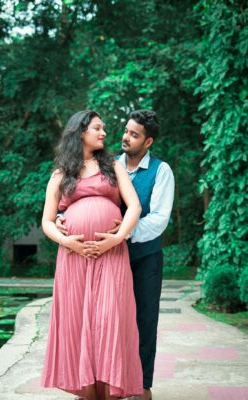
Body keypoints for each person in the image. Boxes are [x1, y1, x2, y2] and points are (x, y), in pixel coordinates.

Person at [57, 110, 175, 400]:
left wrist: (120, 235)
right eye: (125, 130)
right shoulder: (108, 164)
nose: (124, 137)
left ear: (147, 142)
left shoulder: (161, 171)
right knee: (102, 320)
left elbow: (159, 219)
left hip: (143, 255)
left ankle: (141, 385)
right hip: (106, 257)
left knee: (143, 320)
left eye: (134, 134)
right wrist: (64, 216)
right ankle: (99, 381)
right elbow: (76, 191)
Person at [40, 110, 143, 400]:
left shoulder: (112, 166)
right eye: (98, 128)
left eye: (104, 128)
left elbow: (133, 207)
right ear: (80, 131)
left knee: (110, 321)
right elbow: (47, 221)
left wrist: (117, 237)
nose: (104, 133)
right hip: (73, 259)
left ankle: (110, 390)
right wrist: (67, 242)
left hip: (111, 255)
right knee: (77, 322)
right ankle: (85, 390)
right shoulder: (61, 174)